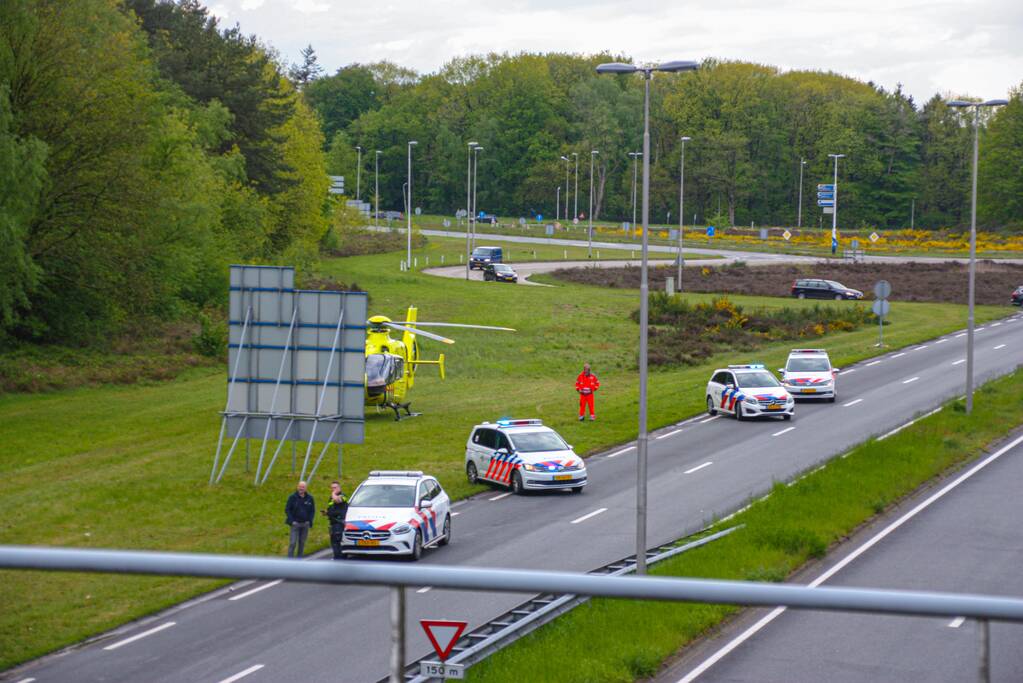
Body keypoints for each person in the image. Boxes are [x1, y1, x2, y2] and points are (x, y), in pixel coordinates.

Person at [285, 480, 315, 558]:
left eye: (303, 487)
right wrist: (292, 521)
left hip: (305, 524)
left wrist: (310, 521)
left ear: (306, 488)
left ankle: (299, 560)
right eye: (300, 486)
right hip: (295, 524)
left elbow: (312, 510)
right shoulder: (292, 497)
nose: (301, 488)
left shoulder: (310, 498)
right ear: (297, 487)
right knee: (293, 543)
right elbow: (287, 509)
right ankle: (289, 560)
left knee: (302, 543)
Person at [322, 481, 349, 560]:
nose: (333, 489)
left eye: (335, 487)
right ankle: (336, 557)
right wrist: (327, 512)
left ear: (339, 488)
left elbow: (338, 500)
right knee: (333, 542)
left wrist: (333, 494)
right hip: (333, 522)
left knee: (337, 541)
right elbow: (333, 508)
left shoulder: (343, 496)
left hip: (339, 522)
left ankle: (339, 559)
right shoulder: (331, 498)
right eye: (332, 488)